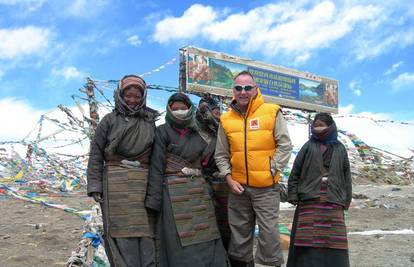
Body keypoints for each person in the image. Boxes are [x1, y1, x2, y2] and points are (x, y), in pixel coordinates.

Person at [215, 70, 292, 267]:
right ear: (233, 90)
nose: (243, 92)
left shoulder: (272, 111)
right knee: (239, 234)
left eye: (248, 88)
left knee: (269, 235)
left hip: (266, 188)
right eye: (239, 88)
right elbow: (221, 154)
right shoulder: (226, 120)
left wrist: (272, 170)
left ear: (255, 89)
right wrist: (229, 179)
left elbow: (285, 145)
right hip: (238, 189)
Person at [145, 92, 229, 267]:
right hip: (172, 192)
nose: (179, 112)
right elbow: (156, 167)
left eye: (183, 108)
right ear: (168, 110)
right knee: (177, 237)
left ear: (190, 109)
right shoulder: (162, 131)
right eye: (175, 109)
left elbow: (208, 162)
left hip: (199, 191)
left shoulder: (198, 133)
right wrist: (154, 200)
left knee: (205, 233)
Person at [87, 74, 159, 267]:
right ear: (120, 95)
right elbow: (96, 154)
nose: (133, 100)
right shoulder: (109, 121)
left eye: (137, 97)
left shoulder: (149, 121)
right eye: (128, 96)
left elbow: (155, 155)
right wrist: (95, 186)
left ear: (143, 98)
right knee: (121, 231)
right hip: (115, 182)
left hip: (142, 182)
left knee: (145, 230)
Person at [286, 112, 351, 267]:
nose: (318, 129)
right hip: (309, 200)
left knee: (333, 241)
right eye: (316, 126)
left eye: (322, 125)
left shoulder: (340, 148)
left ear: (330, 127)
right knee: (307, 240)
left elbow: (346, 175)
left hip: (333, 200)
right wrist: (293, 194)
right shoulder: (308, 146)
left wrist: (346, 200)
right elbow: (296, 171)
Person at [196, 93, 231, 250]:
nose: (217, 115)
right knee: (204, 226)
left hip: (223, 184)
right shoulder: (192, 131)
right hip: (199, 184)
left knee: (226, 226)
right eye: (213, 112)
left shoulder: (224, 131)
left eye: (218, 112)